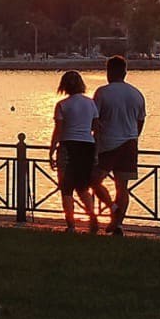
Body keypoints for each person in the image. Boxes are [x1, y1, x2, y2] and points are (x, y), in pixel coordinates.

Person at [90, 55, 146, 237]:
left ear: (109, 72)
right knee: (123, 187)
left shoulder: (102, 93)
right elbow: (140, 120)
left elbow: (95, 121)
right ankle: (118, 223)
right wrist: (133, 136)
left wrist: (95, 142)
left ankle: (113, 209)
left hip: (107, 145)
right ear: (125, 72)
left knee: (93, 180)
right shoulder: (137, 94)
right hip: (129, 144)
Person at [50, 70, 100, 233]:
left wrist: (51, 150)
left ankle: (71, 225)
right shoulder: (91, 103)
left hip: (67, 146)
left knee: (66, 187)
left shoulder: (62, 105)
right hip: (87, 146)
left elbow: (58, 130)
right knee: (83, 186)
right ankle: (92, 215)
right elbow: (95, 126)